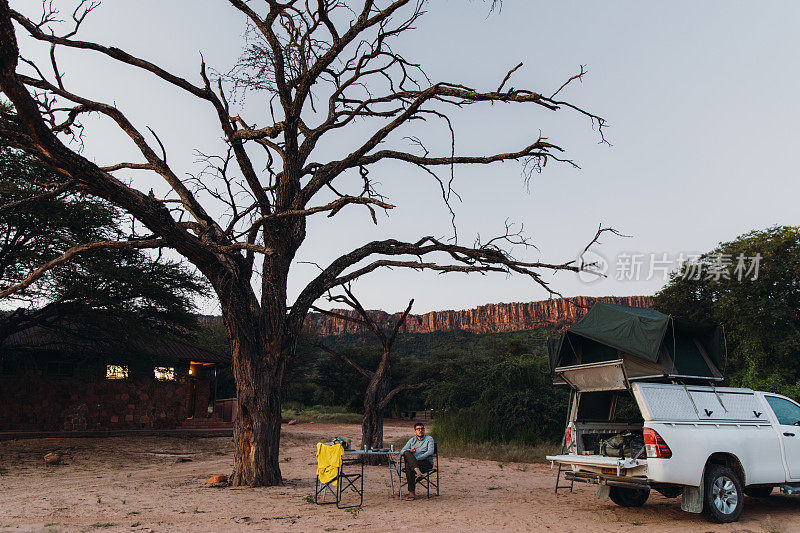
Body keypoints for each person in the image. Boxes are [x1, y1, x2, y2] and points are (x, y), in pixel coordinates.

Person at [400, 422, 434, 500]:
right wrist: (410, 450)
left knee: (409, 466)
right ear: (415, 431)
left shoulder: (429, 439)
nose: (420, 430)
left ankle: (411, 494)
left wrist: (417, 458)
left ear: (424, 430)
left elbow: (430, 452)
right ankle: (418, 472)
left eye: (422, 429)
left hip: (426, 463)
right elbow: (402, 452)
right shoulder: (412, 440)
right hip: (415, 464)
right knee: (406, 452)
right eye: (418, 429)